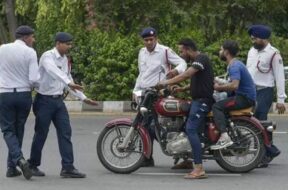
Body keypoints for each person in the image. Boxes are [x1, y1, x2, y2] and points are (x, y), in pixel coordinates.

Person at [28, 32, 97, 178]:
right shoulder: (48, 56)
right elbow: (54, 73)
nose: (69, 46)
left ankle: (68, 167)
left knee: (65, 132)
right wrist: (68, 82)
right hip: (44, 101)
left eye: (70, 44)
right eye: (67, 44)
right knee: (41, 134)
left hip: (58, 102)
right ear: (58, 43)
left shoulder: (65, 60)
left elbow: (68, 79)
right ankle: (32, 165)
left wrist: (83, 98)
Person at [157, 38, 214, 179]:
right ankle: (188, 160)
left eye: (182, 51)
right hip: (196, 100)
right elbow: (200, 81)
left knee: (191, 129)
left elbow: (187, 74)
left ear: (188, 49)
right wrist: (182, 88)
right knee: (183, 128)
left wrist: (165, 82)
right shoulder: (198, 61)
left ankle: (199, 169)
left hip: (202, 102)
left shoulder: (201, 58)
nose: (181, 54)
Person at [133, 27, 187, 167]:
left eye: (151, 39)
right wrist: (135, 90)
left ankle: (178, 151)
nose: (149, 42)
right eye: (146, 40)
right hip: (145, 93)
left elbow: (183, 63)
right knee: (144, 125)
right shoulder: (142, 52)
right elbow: (141, 73)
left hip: (160, 93)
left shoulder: (165, 51)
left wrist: (175, 71)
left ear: (156, 38)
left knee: (159, 125)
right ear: (143, 41)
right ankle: (147, 157)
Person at [0, 25, 39, 180]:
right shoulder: (30, 52)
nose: (33, 40)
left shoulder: (2, 49)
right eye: (32, 37)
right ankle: (12, 167)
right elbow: (34, 79)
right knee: (19, 129)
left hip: (5, 94)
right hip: (23, 95)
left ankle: (18, 160)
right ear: (25, 37)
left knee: (8, 131)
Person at [246, 24, 286, 167]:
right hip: (250, 91)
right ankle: (269, 151)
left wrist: (280, 99)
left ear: (263, 39)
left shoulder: (274, 53)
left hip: (265, 91)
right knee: (250, 121)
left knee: (260, 122)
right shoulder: (252, 51)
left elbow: (279, 76)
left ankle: (264, 154)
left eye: (255, 39)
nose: (252, 41)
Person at [210, 40, 256, 150]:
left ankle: (224, 136)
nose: (220, 52)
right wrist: (219, 82)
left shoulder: (234, 66)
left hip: (245, 98)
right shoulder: (236, 63)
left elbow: (234, 85)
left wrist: (217, 87)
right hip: (244, 96)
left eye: (221, 49)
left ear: (226, 52)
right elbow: (231, 84)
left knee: (216, 107)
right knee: (220, 101)